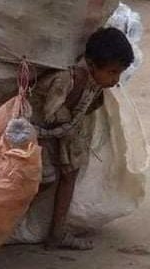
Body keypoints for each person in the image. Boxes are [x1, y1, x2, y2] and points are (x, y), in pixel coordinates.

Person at [29, 27, 135, 251]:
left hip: (65, 131)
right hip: (40, 132)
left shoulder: (94, 81)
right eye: (112, 72)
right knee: (43, 180)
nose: (115, 80)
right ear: (92, 64)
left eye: (119, 73)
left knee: (70, 174)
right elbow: (50, 113)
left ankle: (57, 234)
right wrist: (68, 122)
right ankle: (1, 222)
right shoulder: (69, 79)